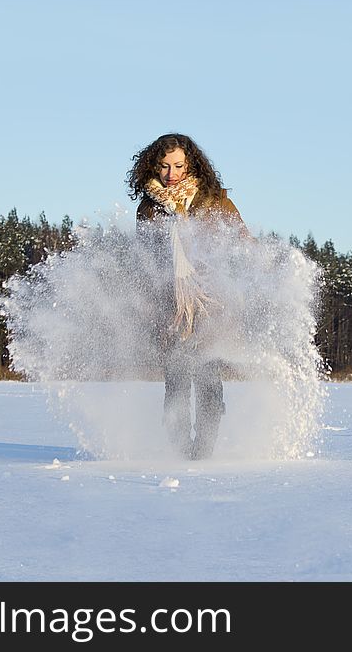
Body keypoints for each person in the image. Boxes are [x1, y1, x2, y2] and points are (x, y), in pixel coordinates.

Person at [127, 133, 249, 460]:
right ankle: (181, 456)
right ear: (152, 167)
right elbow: (145, 259)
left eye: (178, 165)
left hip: (211, 306)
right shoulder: (149, 209)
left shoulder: (216, 202)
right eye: (164, 167)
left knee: (209, 383)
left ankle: (204, 455)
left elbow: (243, 246)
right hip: (172, 309)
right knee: (177, 384)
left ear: (191, 163)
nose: (171, 174)